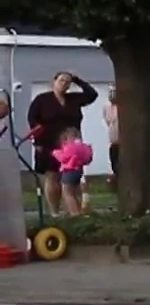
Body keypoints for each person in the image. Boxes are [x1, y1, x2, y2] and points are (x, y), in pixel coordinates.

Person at [27, 72, 97, 216]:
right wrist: (37, 140)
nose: (64, 84)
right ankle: (55, 212)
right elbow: (32, 119)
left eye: (67, 82)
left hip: (71, 145)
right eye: (61, 80)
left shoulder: (73, 99)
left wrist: (78, 79)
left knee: (71, 178)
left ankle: (73, 211)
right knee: (52, 176)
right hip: (48, 142)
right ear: (54, 81)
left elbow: (92, 95)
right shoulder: (42, 100)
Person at [51, 127, 92, 214]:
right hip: (78, 170)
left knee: (67, 193)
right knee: (74, 193)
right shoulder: (83, 147)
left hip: (69, 170)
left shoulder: (71, 147)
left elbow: (64, 158)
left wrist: (55, 153)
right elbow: (88, 158)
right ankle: (78, 211)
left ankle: (74, 213)